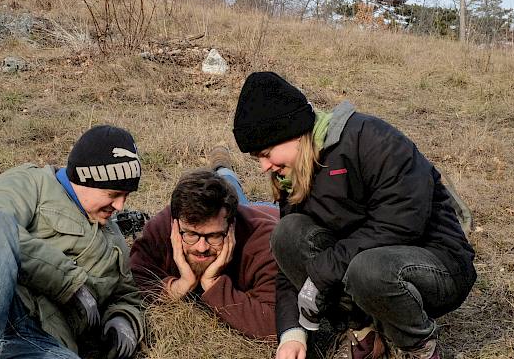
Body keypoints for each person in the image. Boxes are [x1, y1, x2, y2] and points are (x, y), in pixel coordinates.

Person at [231, 72, 476, 359]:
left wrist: (323, 270)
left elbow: (401, 224)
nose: (263, 167)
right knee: (287, 233)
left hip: (438, 264)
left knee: (367, 269)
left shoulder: (370, 139)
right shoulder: (293, 175)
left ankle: (418, 346)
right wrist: (291, 335)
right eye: (256, 158)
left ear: (293, 132)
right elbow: (287, 264)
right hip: (363, 268)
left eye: (266, 153)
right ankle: (364, 333)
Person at [0, 125, 144, 359]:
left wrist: (123, 321)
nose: (120, 206)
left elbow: (127, 297)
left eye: (126, 196)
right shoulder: (30, 183)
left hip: (31, 340)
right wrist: (68, 283)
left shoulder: (115, 241)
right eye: (113, 195)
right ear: (85, 178)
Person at [129, 150, 280, 340]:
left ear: (231, 227)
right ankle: (222, 169)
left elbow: (276, 324)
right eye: (191, 234)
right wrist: (180, 285)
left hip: (271, 213)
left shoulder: (265, 243)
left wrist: (212, 284)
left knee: (241, 199)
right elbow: (132, 281)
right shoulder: (164, 226)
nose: (201, 247)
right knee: (231, 192)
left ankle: (224, 171)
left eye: (214, 236)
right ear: (175, 224)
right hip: (237, 212)